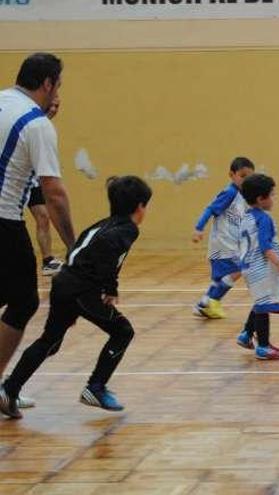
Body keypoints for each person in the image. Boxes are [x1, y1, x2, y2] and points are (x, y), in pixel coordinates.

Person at [0, 176, 151, 418]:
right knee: (123, 331)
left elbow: (84, 246)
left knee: (50, 341)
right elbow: (109, 256)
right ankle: (96, 387)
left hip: (64, 284)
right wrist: (110, 289)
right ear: (140, 207)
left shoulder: (103, 224)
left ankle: (10, 388)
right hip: (81, 289)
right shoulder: (127, 230)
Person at [0, 53, 76, 408]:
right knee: (23, 300)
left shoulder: (4, 101)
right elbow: (54, 192)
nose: (58, 91)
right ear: (47, 83)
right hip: (4, 221)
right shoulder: (37, 124)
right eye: (58, 84)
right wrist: (75, 246)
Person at [191, 156, 255, 319]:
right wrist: (199, 228)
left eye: (250, 177)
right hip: (223, 244)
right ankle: (210, 301)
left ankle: (205, 304)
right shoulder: (230, 193)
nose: (246, 180)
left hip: (232, 244)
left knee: (219, 278)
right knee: (238, 270)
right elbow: (210, 209)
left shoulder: (244, 196)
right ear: (231, 175)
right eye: (242, 176)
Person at [235, 173, 279, 360]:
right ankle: (263, 347)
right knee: (263, 306)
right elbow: (266, 247)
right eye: (272, 194)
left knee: (261, 301)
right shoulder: (264, 219)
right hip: (261, 267)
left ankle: (246, 334)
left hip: (248, 267)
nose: (274, 198)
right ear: (260, 199)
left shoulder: (246, 217)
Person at [28, 96, 65, 277]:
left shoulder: (43, 127)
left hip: (32, 181)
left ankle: (47, 260)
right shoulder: (27, 120)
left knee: (43, 216)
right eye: (51, 105)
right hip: (12, 181)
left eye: (56, 107)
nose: (54, 109)